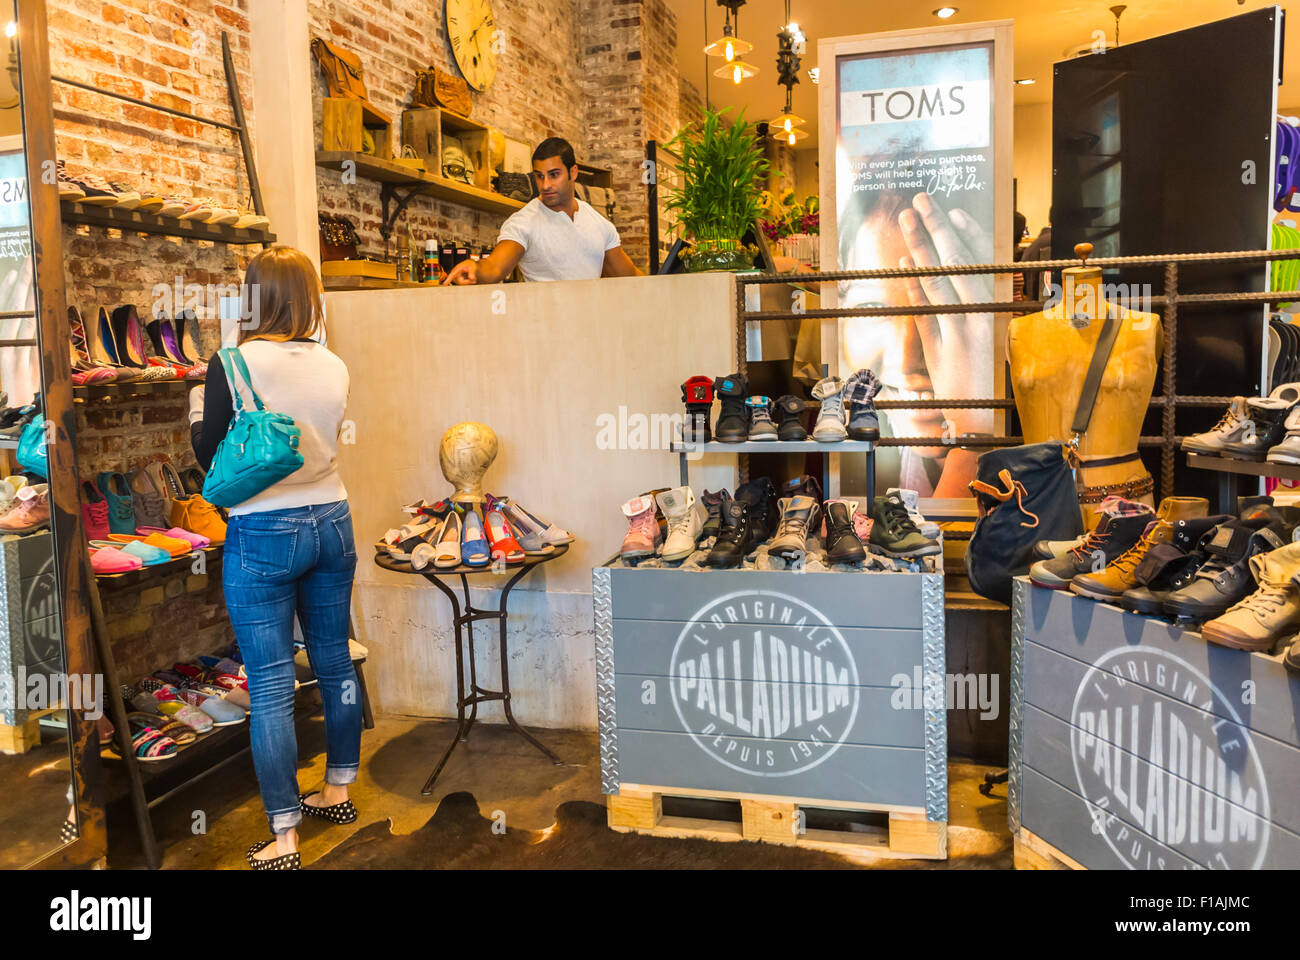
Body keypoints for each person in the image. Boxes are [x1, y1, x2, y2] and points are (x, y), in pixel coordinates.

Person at [188, 245, 359, 871]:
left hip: (263, 530)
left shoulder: (232, 363)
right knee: (335, 661)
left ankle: (285, 836)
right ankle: (337, 790)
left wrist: (194, 421)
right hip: (334, 519)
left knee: (269, 685)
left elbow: (212, 454)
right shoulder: (334, 365)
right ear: (309, 294)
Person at [444, 137, 641, 284]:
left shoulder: (598, 223)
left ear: (573, 172)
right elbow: (495, 267)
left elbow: (629, 278)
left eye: (554, 175)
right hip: (544, 331)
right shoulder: (524, 222)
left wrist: (667, 284)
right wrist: (476, 270)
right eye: (539, 176)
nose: (545, 185)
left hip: (590, 330)